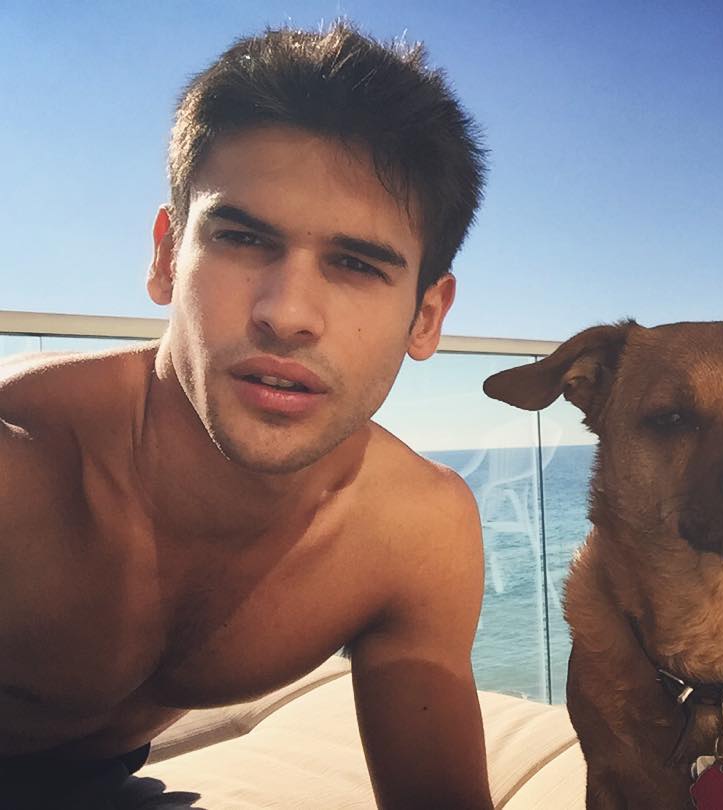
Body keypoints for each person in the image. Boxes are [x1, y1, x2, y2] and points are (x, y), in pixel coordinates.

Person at [0, 22, 492, 810]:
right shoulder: (20, 467)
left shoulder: (415, 532)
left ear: (427, 316)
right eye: (242, 238)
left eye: (355, 264)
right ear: (167, 257)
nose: (287, 313)